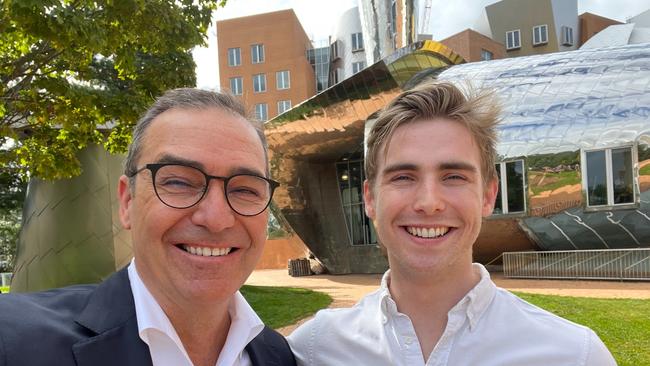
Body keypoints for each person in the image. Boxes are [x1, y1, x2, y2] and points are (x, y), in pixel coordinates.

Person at [287, 82, 616, 366]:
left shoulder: (574, 355)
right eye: (403, 176)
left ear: (488, 196)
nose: (429, 202)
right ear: (371, 199)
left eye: (454, 176)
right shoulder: (313, 350)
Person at [0, 89, 296, 366]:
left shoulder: (278, 356)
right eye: (178, 182)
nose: (216, 219)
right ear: (127, 201)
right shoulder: (14, 342)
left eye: (245, 190)